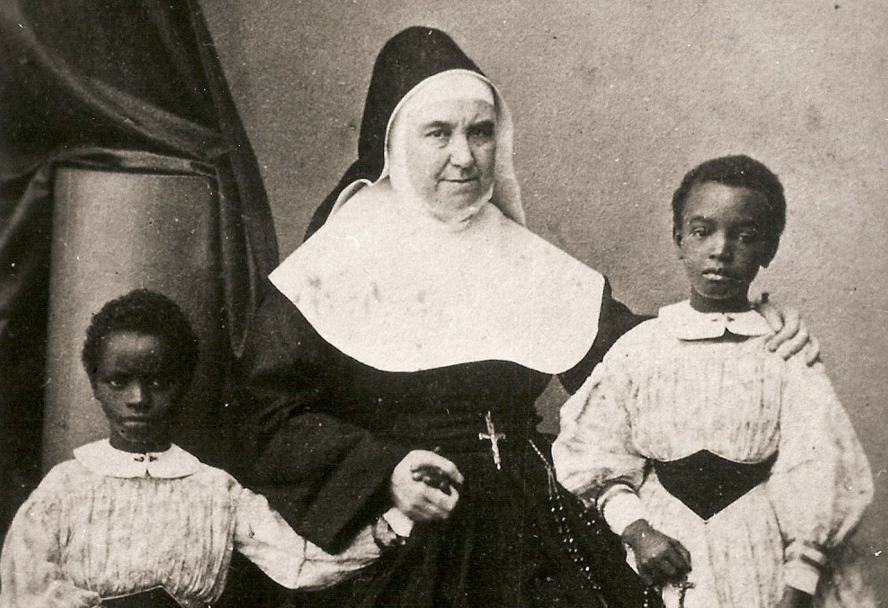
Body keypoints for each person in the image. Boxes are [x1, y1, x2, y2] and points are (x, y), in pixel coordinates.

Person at [237, 28, 816, 608]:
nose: (464, 156)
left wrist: (743, 324)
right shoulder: (329, 265)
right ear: (394, 143)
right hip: (408, 521)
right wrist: (385, 471)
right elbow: (268, 415)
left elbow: (636, 356)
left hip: (533, 517)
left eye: (480, 132)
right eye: (438, 133)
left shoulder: (526, 258)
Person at [552, 156, 874, 608]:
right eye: (702, 231)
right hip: (660, 546)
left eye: (744, 236)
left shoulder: (782, 350)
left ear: (769, 249)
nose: (721, 250)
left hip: (759, 552)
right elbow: (595, 449)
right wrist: (638, 532)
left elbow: (819, 464)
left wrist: (799, 580)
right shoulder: (641, 348)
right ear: (679, 239)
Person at [0, 289, 394, 608]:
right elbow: (24, 589)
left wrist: (387, 530)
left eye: (158, 382)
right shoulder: (64, 490)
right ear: (95, 383)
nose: (138, 399)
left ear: (183, 383)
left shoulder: (216, 492)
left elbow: (299, 563)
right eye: (119, 382)